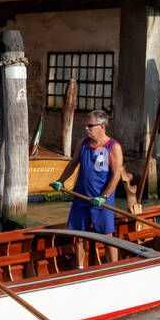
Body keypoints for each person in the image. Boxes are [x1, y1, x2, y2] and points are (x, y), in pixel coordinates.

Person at [51, 109, 123, 268]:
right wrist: (61, 181)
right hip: (81, 198)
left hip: (102, 200)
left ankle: (113, 269)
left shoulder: (114, 147)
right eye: (86, 125)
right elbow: (73, 164)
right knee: (79, 236)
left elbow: (116, 175)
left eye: (90, 125)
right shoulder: (82, 143)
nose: (86, 128)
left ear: (102, 126)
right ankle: (80, 269)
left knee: (107, 236)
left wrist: (103, 197)